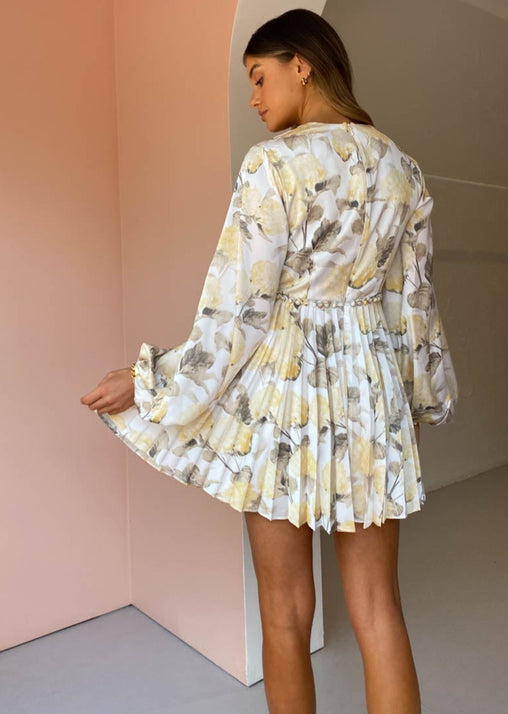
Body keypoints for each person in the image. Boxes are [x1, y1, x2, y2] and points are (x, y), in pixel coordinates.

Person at [81, 9, 458, 714]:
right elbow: (413, 307)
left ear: (301, 65)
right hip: (369, 392)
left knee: (283, 611)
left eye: (259, 77)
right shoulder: (399, 167)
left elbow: (239, 311)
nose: (253, 98)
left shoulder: (272, 164)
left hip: (285, 399)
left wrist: (149, 380)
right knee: (379, 610)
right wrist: (420, 402)